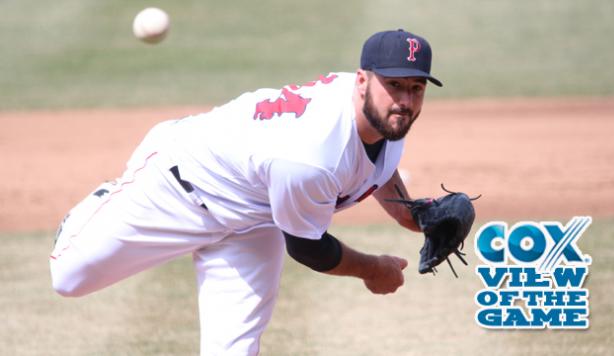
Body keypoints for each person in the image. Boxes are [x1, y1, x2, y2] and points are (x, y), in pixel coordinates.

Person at [50, 29, 443, 355]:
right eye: (394, 85)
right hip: (179, 186)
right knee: (68, 278)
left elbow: (378, 166)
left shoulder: (387, 116)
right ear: (362, 81)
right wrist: (374, 269)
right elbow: (309, 249)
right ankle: (103, 202)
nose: (405, 101)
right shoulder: (311, 155)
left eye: (416, 88)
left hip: (256, 217)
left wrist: (412, 215)